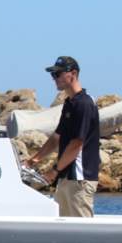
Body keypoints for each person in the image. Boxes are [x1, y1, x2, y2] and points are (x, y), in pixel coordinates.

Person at [26, 55, 101, 217]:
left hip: (80, 179)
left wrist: (54, 171)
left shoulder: (84, 104)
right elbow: (57, 137)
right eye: (53, 74)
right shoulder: (70, 103)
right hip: (66, 178)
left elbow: (76, 144)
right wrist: (33, 160)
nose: (54, 78)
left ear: (73, 74)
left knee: (82, 229)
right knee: (64, 227)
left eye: (58, 74)